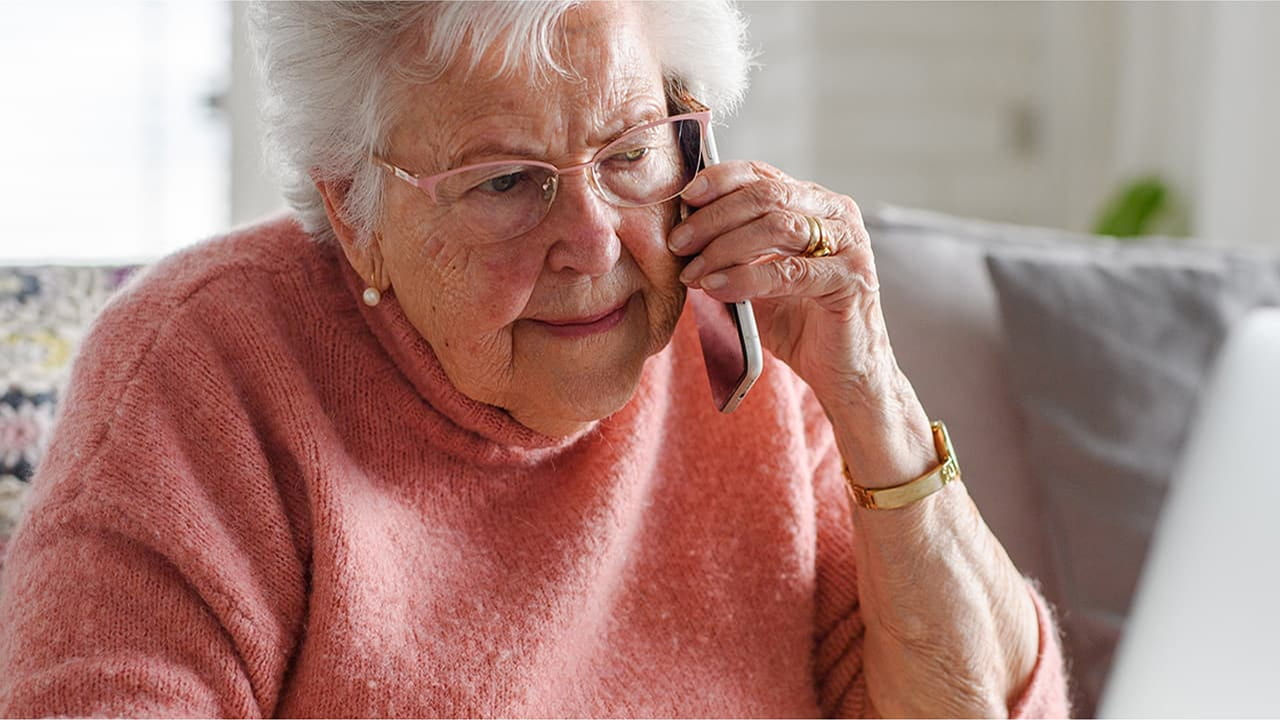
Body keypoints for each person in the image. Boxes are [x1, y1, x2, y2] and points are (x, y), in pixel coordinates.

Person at [0, 2, 1069, 717]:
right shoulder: (201, 373)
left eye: (629, 152)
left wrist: (872, 398)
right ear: (356, 216)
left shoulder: (745, 351)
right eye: (505, 182)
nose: (594, 242)